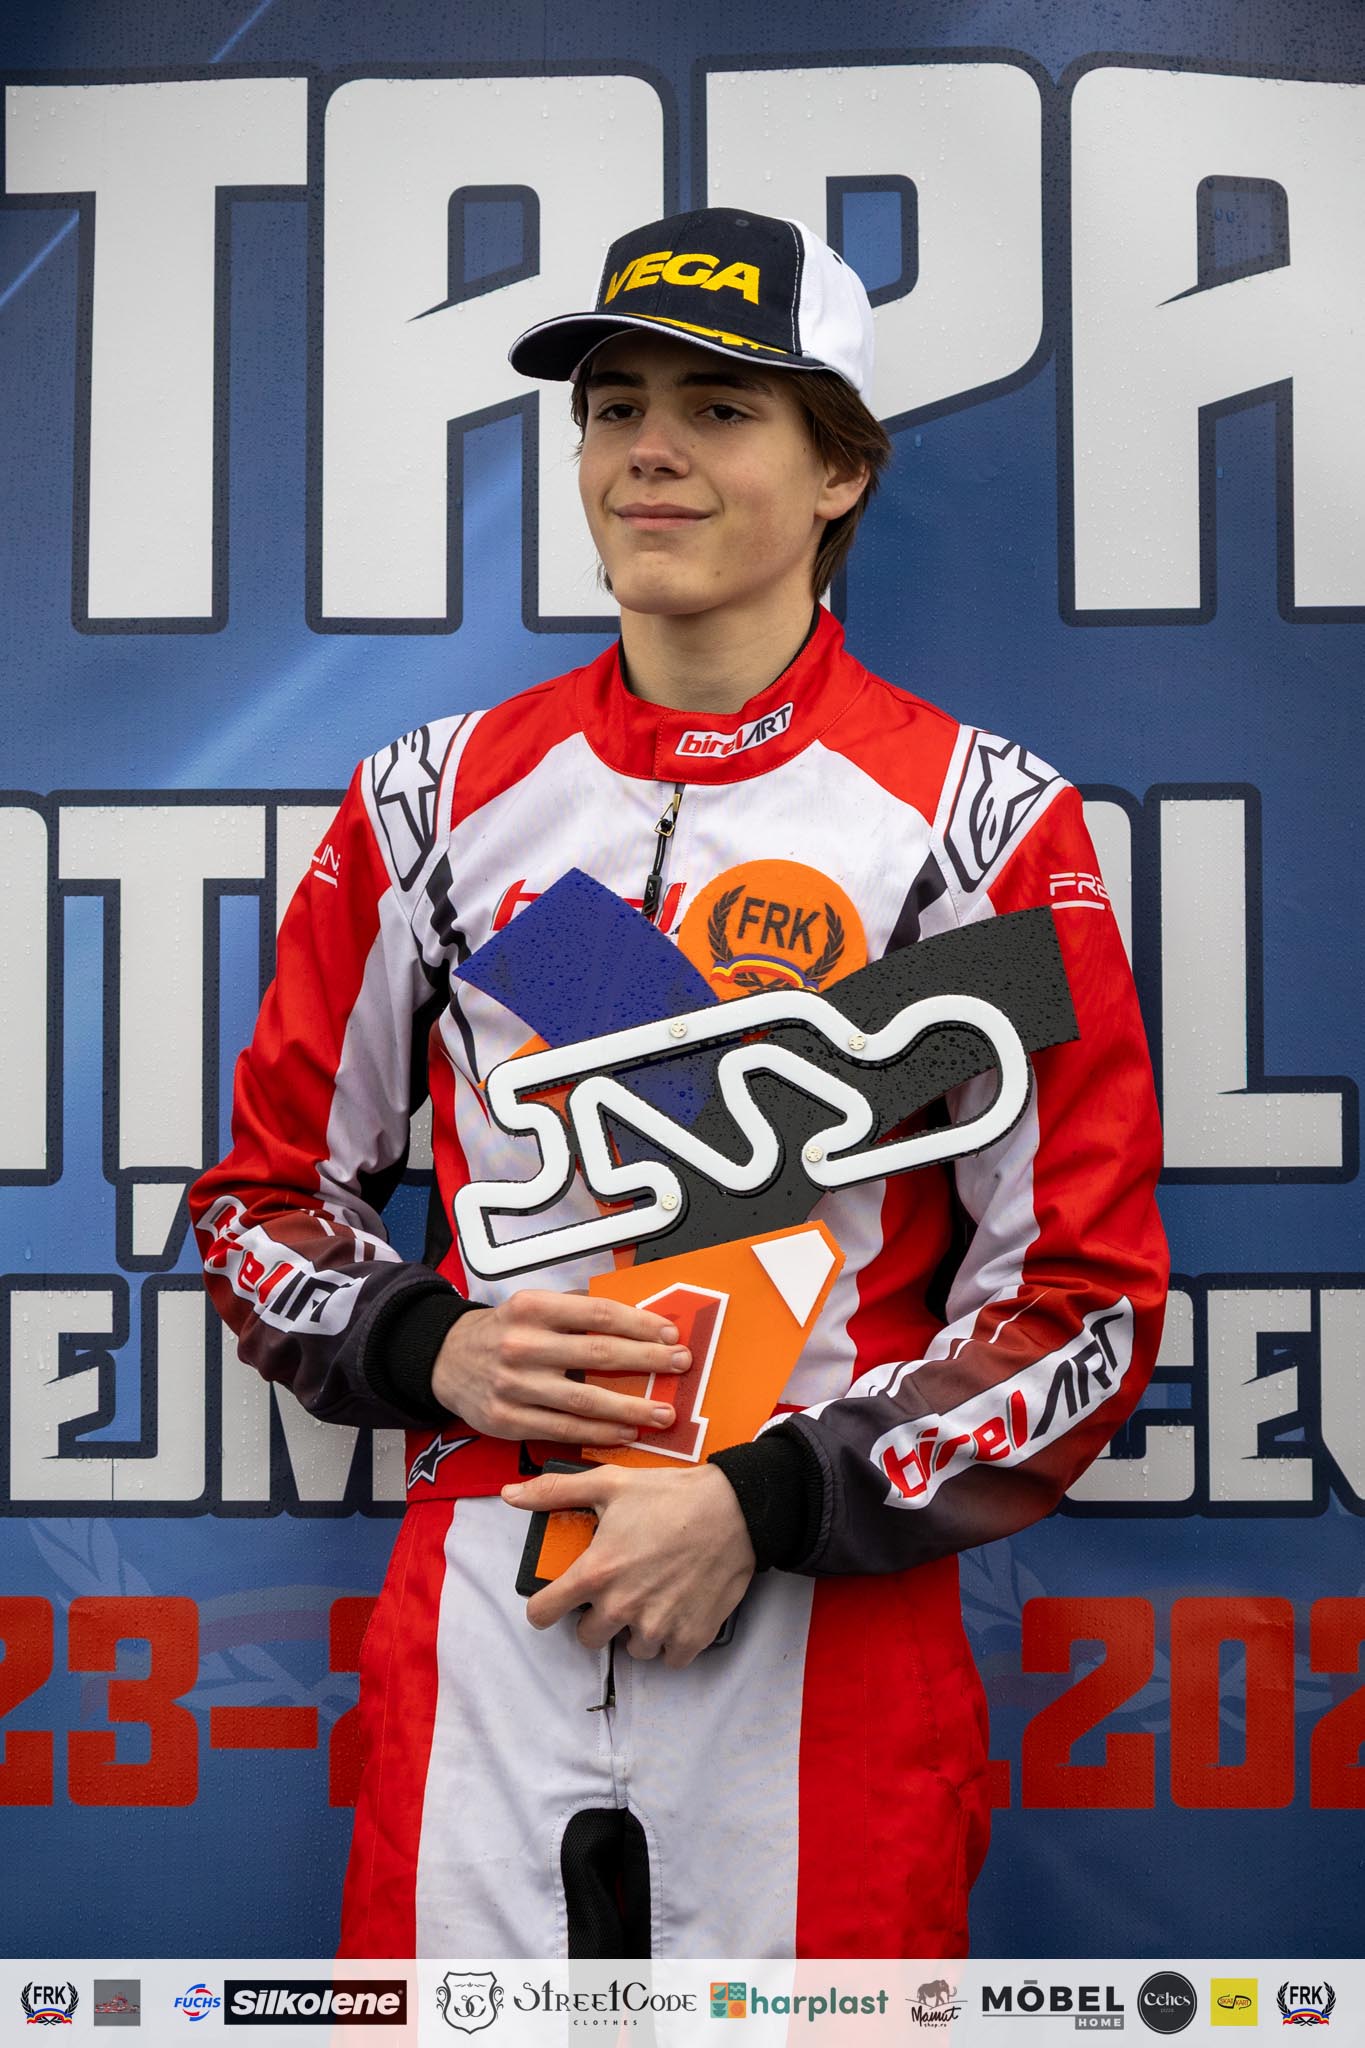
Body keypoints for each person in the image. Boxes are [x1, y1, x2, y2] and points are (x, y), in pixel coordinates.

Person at [188, 207, 1168, 1961]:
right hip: (488, 1621)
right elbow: (261, 1210)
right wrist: (425, 1344)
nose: (647, 448)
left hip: (819, 1632)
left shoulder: (977, 824)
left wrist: (762, 1504)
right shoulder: (431, 805)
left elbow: (1081, 1305)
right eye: (612, 406)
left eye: (719, 409)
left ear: (840, 469)